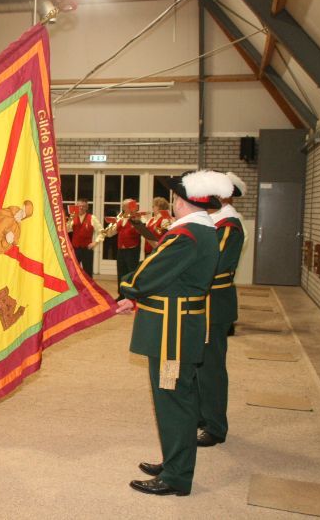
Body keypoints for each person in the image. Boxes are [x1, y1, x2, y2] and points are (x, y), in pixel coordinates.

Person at [116, 169, 232, 496]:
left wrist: (128, 288)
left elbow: (150, 271)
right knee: (177, 398)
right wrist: (135, 299)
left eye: (175, 198)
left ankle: (177, 475)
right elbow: (172, 279)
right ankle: (173, 461)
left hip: (172, 334)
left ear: (181, 201)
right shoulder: (202, 230)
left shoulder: (187, 235)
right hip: (178, 326)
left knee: (174, 400)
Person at [196, 172, 246, 448]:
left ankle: (215, 426)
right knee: (199, 364)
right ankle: (202, 416)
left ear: (225, 196)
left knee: (211, 367)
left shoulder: (229, 225)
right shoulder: (213, 221)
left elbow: (212, 265)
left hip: (213, 303)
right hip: (203, 301)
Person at [105, 198, 141, 299]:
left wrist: (137, 221)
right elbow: (110, 234)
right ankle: (121, 295)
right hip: (121, 249)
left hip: (132, 249)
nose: (124, 208)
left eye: (125, 206)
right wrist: (111, 225)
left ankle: (131, 296)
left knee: (131, 273)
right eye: (124, 206)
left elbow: (141, 231)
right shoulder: (120, 218)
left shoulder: (137, 217)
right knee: (121, 272)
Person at [69, 198, 100, 278]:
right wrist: (70, 219)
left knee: (88, 272)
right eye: (79, 206)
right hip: (75, 249)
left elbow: (102, 232)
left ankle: (88, 286)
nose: (81, 208)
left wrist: (95, 242)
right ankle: (75, 286)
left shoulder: (92, 218)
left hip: (87, 249)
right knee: (74, 272)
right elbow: (66, 230)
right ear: (76, 207)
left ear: (87, 207)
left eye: (83, 206)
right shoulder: (73, 218)